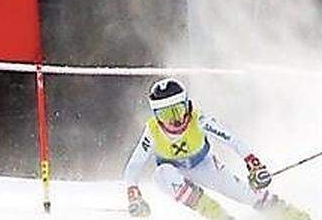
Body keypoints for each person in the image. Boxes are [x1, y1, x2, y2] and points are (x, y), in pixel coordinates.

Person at [123, 78, 310, 220]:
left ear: (187, 105)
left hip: (205, 166)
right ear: (156, 115)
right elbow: (134, 166)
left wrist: (254, 164)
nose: (174, 121)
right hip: (174, 173)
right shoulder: (153, 131)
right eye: (165, 114)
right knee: (161, 174)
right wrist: (134, 195)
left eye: (177, 111)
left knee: (248, 196)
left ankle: (294, 216)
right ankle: (217, 215)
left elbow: (232, 140)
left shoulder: (199, 120)